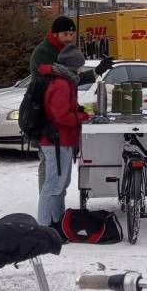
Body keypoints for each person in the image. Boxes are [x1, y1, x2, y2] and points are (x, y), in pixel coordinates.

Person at [30, 15, 113, 188]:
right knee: (49, 168)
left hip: (59, 118)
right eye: (65, 34)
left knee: (58, 173)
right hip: (45, 116)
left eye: (72, 34)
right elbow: (57, 83)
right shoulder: (44, 52)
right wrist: (75, 113)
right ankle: (46, 200)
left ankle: (50, 200)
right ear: (55, 33)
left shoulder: (65, 50)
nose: (69, 38)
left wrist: (98, 70)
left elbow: (72, 79)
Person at [36, 44, 89, 237]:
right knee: (53, 185)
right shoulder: (62, 84)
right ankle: (45, 226)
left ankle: (57, 221)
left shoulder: (65, 81)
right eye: (81, 64)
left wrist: (78, 111)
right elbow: (61, 116)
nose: (82, 68)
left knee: (61, 185)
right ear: (74, 65)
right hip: (57, 141)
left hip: (61, 140)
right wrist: (82, 117)